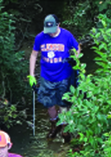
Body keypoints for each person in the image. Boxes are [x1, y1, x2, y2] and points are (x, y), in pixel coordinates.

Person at [28, 14, 80, 142]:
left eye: (52, 31)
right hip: (46, 76)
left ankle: (64, 128)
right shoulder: (40, 37)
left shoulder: (67, 35)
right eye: (48, 31)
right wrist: (32, 75)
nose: (50, 34)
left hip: (64, 75)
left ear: (58, 25)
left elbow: (78, 49)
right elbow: (34, 55)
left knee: (63, 104)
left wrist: (75, 59)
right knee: (49, 104)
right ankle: (54, 125)